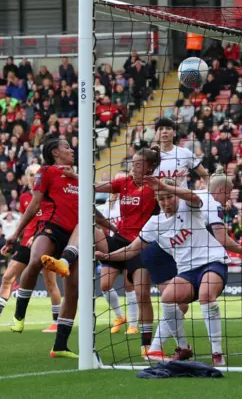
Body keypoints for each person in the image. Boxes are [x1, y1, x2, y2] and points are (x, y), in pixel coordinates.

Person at [42, 146, 161, 358]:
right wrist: (75, 176)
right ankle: (66, 260)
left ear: (149, 167)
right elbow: (95, 186)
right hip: (118, 240)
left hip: (141, 244)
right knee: (103, 278)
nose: (132, 167)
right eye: (132, 163)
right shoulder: (123, 182)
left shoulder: (155, 187)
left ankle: (146, 346)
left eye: (138, 164)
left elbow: (172, 197)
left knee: (143, 294)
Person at [98, 177, 231, 366]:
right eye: (161, 199)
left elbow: (193, 196)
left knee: (206, 294)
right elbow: (133, 249)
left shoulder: (189, 205)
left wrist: (164, 186)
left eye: (170, 197)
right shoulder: (154, 223)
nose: (166, 202)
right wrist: (107, 256)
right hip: (187, 271)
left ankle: (217, 352)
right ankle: (183, 347)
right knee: (168, 297)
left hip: (213, 262)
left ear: (176, 194)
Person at [142, 167, 242, 361]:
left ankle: (163, 348)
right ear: (222, 191)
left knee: (179, 301)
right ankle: (164, 347)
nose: (228, 200)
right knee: (179, 300)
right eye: (228, 195)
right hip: (171, 250)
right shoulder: (211, 203)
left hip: (175, 251)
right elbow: (222, 239)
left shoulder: (195, 196)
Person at [2, 139, 107, 359]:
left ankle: (60, 346)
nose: (72, 150)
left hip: (75, 236)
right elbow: (35, 203)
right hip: (52, 226)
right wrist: (16, 233)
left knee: (74, 290)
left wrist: (114, 228)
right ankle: (19, 314)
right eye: (67, 147)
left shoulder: (79, 178)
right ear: (54, 152)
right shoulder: (46, 171)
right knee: (36, 260)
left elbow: (92, 211)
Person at [0, 164, 62, 332]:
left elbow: (51, 220)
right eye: (30, 174)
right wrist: (12, 242)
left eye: (36, 174)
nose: (33, 177)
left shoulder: (49, 196)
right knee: (7, 277)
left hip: (45, 243)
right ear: (26, 177)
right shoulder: (24, 198)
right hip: (25, 244)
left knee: (50, 283)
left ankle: (57, 323)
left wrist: (38, 237)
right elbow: (26, 221)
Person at [96, 172, 139, 335]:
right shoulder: (109, 204)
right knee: (105, 285)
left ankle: (133, 324)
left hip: (131, 243)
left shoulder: (135, 201)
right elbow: (99, 219)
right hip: (114, 245)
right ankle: (120, 316)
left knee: (130, 284)